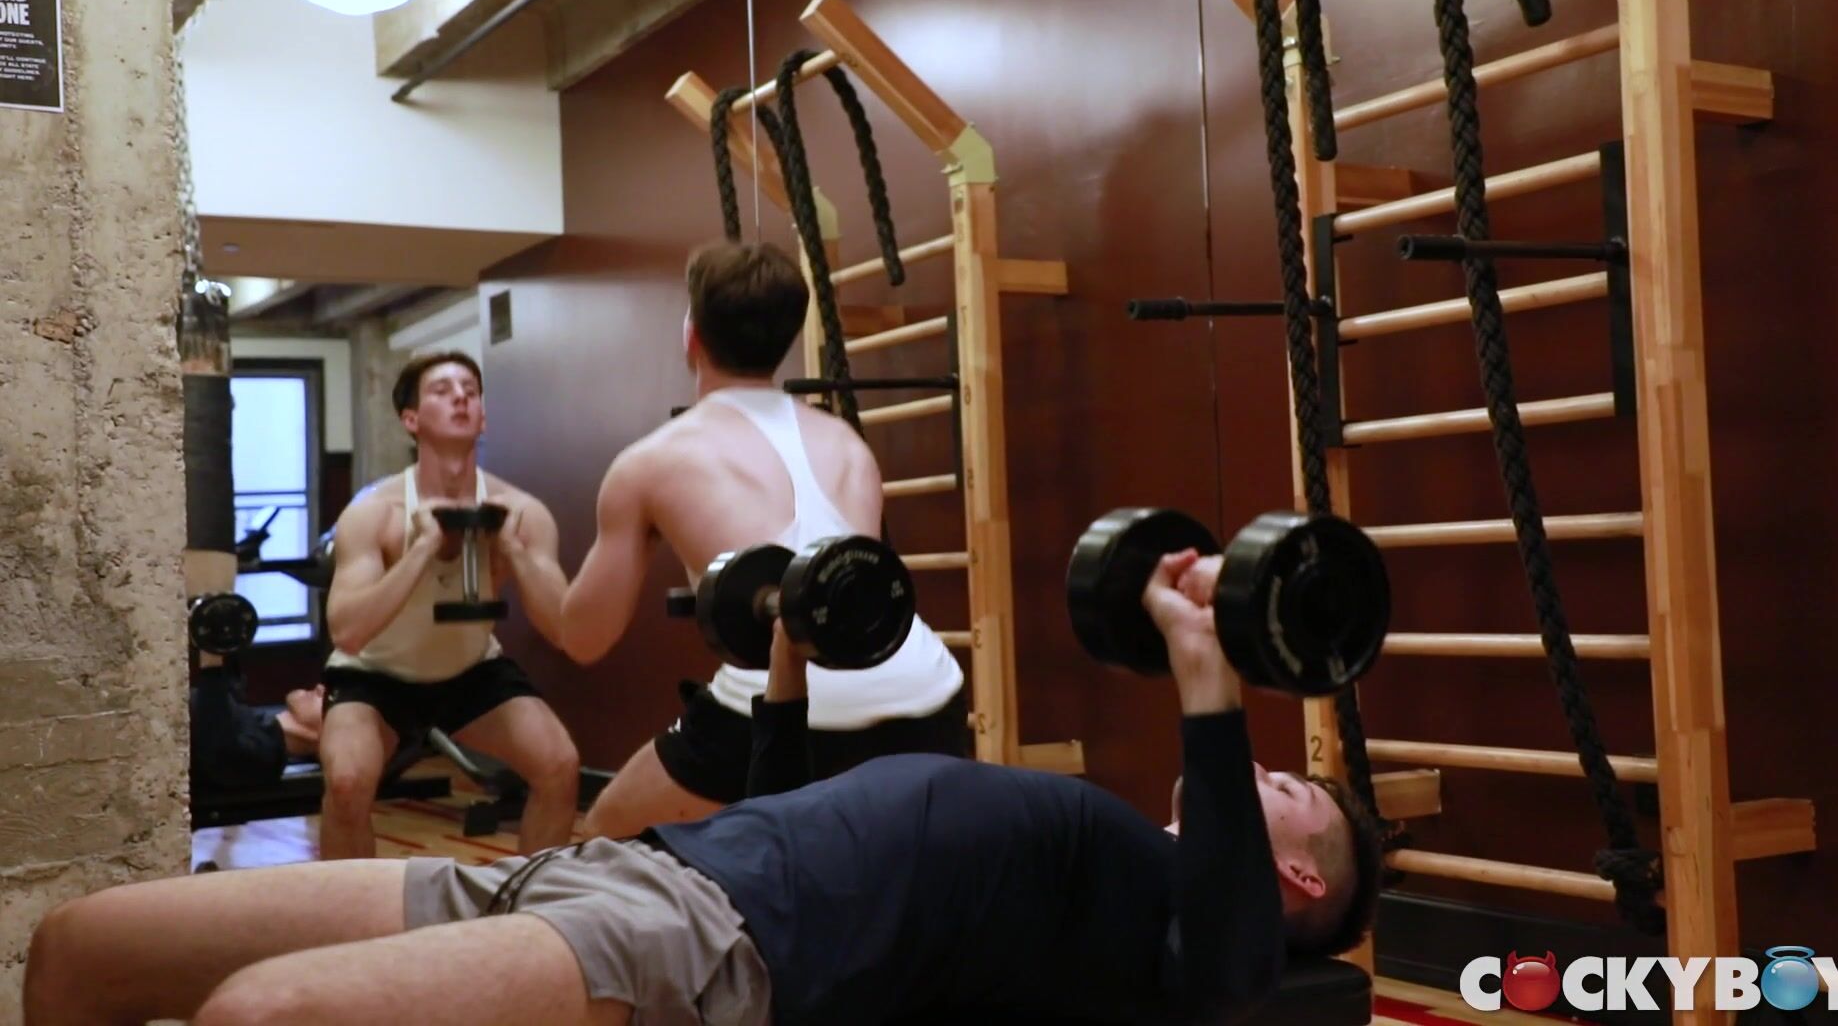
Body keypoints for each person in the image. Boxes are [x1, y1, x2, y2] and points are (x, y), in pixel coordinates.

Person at [21, 545, 1384, 1026]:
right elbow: (781, 806)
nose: (1269, 771)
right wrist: (785, 652)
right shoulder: (1096, 864)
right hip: (616, 876)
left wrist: (1206, 668)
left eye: (1293, 793)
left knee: (262, 1016)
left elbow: (1227, 974)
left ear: (1294, 877)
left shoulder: (1187, 940)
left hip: (705, 941)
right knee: (84, 948)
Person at [558, 241, 969, 838]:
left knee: (603, 840)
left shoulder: (651, 460)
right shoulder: (846, 441)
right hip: (928, 689)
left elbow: (584, 638)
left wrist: (526, 559)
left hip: (785, 696)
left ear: (692, 337)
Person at [319, 351, 580, 859]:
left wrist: (513, 552)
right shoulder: (375, 514)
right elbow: (347, 633)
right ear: (411, 420)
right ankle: (349, 904)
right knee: (347, 783)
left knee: (559, 766)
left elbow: (563, 630)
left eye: (471, 391)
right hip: (375, 677)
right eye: (442, 390)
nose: (461, 397)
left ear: (483, 418)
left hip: (469, 670)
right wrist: (420, 550)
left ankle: (529, 897)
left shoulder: (522, 512)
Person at [189, 672, 325, 789]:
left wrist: (212, 668)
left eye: (332, 699)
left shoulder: (264, 756)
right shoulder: (256, 727)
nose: (321, 688)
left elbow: (218, 745)